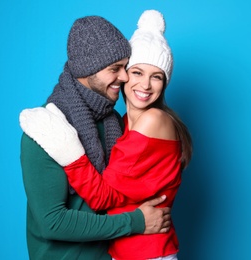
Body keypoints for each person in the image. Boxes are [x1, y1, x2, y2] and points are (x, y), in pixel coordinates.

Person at [20, 10, 193, 260]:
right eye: (118, 68)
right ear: (88, 69)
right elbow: (52, 222)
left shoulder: (115, 123)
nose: (124, 78)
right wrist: (136, 221)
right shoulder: (47, 130)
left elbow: (111, 196)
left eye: (126, 68)